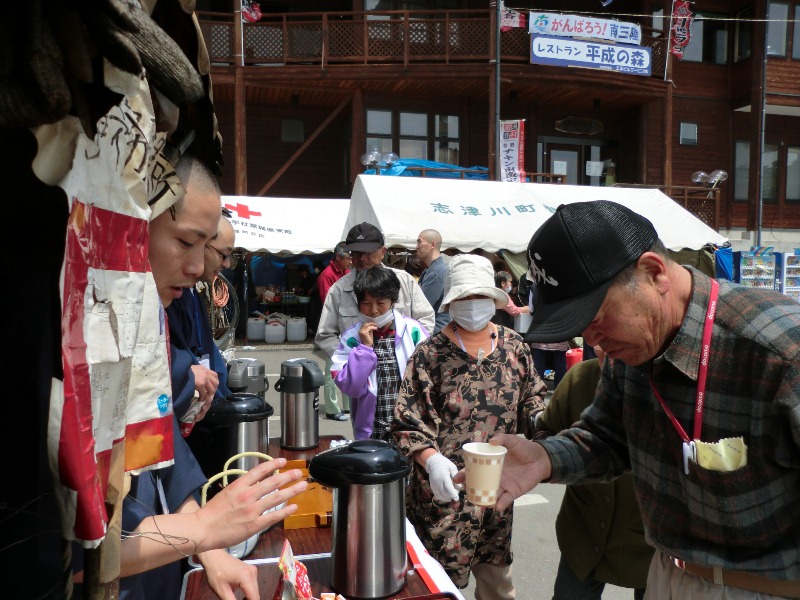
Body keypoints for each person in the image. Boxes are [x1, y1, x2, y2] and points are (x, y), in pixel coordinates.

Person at [480, 200, 800, 599]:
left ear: (653, 273)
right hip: (665, 574)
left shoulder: (782, 352)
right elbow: (606, 437)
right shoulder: (627, 350)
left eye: (596, 320)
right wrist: (545, 458)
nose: (592, 342)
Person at [121, 155, 308, 600]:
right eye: (186, 242)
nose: (197, 268)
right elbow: (58, 552)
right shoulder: (63, 332)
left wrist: (208, 548)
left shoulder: (147, 322)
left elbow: (159, 446)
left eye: (206, 249)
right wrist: (203, 528)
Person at [391, 254, 547, 600]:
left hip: (496, 492)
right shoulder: (430, 354)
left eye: (480, 297)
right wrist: (431, 460)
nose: (473, 305)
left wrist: (549, 441)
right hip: (442, 497)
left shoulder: (514, 348)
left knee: (498, 586)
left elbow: (533, 403)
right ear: (451, 301)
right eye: (464, 297)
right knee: (435, 588)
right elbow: (406, 421)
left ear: (493, 300)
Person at [531, 345, 653, 599]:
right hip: (584, 530)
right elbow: (545, 430)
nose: (602, 346)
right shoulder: (579, 378)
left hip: (649, 540)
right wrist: (545, 454)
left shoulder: (659, 380)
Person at [316, 222, 435, 417]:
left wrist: (411, 354)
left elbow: (426, 319)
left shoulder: (403, 281)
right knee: (366, 435)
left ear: (382, 251)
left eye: (368, 252)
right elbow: (325, 335)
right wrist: (350, 357)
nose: (362, 258)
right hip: (362, 378)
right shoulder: (339, 289)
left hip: (405, 377)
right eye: (355, 253)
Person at [330, 267, 428, 440]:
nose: (374, 310)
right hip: (371, 426)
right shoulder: (352, 338)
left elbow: (429, 376)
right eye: (367, 304)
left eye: (381, 303)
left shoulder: (413, 332)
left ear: (393, 301)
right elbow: (350, 387)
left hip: (411, 423)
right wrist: (365, 349)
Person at [317, 242, 352, 420]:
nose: (351, 261)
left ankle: (347, 406)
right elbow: (327, 305)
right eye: (348, 258)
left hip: (346, 327)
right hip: (333, 328)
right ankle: (332, 408)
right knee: (332, 369)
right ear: (338, 257)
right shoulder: (327, 275)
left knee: (347, 367)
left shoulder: (347, 272)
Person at [416, 228, 451, 333]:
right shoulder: (432, 269)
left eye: (419, 242)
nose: (416, 247)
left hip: (436, 332)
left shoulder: (437, 271)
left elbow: (421, 307)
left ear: (432, 244)